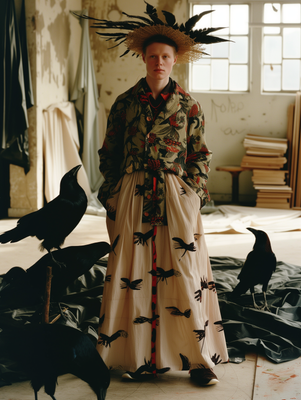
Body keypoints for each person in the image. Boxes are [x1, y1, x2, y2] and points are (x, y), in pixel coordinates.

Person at [91, 3, 229, 386]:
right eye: (152, 56)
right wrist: (113, 193)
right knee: (131, 272)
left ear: (175, 60)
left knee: (185, 272)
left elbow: (201, 153)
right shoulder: (124, 103)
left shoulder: (189, 106)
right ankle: (134, 357)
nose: (159, 62)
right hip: (133, 193)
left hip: (175, 195)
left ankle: (199, 361)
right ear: (144, 59)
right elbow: (109, 153)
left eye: (165, 57)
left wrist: (194, 194)